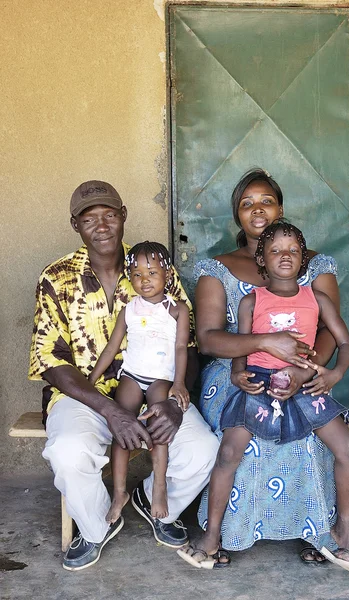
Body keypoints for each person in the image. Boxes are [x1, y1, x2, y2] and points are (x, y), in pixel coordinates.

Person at [28, 181, 219, 571]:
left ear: (124, 216)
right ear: (75, 225)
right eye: (89, 218)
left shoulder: (155, 266)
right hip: (86, 398)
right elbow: (49, 359)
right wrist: (110, 410)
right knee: (67, 453)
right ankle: (98, 525)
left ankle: (151, 502)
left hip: (156, 389)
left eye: (109, 215)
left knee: (203, 449)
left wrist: (175, 403)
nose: (101, 225)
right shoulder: (57, 277)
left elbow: (190, 344)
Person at [191, 168, 349, 567]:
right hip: (237, 370)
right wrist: (263, 344)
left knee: (307, 434)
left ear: (280, 208)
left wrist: (306, 369)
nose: (257, 209)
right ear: (237, 215)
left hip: (305, 368)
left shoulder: (314, 267)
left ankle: (318, 530)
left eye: (266, 200)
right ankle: (227, 533)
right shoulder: (218, 269)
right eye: (246, 203)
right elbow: (210, 339)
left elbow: (329, 332)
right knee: (248, 438)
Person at [89, 241, 190, 523]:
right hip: (133, 376)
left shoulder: (177, 309)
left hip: (161, 379)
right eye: (137, 275)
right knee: (122, 425)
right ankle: (119, 492)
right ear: (129, 277)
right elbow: (111, 348)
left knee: (159, 426)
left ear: (168, 275)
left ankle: (159, 486)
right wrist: (91, 380)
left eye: (152, 273)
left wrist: (178, 383)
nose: (144, 281)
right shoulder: (129, 309)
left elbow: (182, 347)